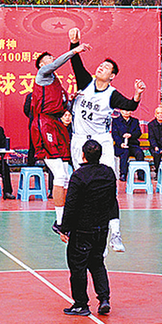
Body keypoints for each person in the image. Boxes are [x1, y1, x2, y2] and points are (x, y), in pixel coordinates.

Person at [68, 27, 145, 253]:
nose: (101, 67)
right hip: (79, 141)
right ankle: (82, 230)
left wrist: (137, 94)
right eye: (101, 65)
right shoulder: (85, 83)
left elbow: (130, 105)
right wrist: (75, 43)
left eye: (107, 67)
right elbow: (76, 63)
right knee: (82, 187)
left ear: (112, 76)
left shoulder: (112, 94)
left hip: (101, 143)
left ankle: (115, 234)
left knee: (108, 187)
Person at [59, 140, 117, 317]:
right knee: (97, 263)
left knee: (78, 267)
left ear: (83, 155)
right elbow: (112, 200)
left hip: (82, 228)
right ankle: (104, 298)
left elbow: (71, 204)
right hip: (101, 227)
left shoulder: (79, 176)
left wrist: (64, 228)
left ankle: (81, 303)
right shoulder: (108, 173)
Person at [31, 45, 85, 233]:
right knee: (60, 175)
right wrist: (74, 51)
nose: (52, 59)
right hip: (44, 123)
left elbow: (64, 107)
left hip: (56, 123)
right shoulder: (43, 75)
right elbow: (55, 64)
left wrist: (72, 99)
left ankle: (66, 217)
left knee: (65, 175)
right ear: (41, 64)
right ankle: (61, 221)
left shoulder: (57, 84)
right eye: (48, 58)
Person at [111, 109, 144, 182]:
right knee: (125, 152)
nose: (126, 112)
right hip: (120, 146)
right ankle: (123, 174)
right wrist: (120, 143)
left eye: (128, 111)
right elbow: (115, 134)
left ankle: (141, 174)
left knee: (139, 153)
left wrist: (131, 135)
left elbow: (138, 133)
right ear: (121, 111)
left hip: (132, 144)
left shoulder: (135, 121)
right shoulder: (116, 121)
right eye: (125, 111)